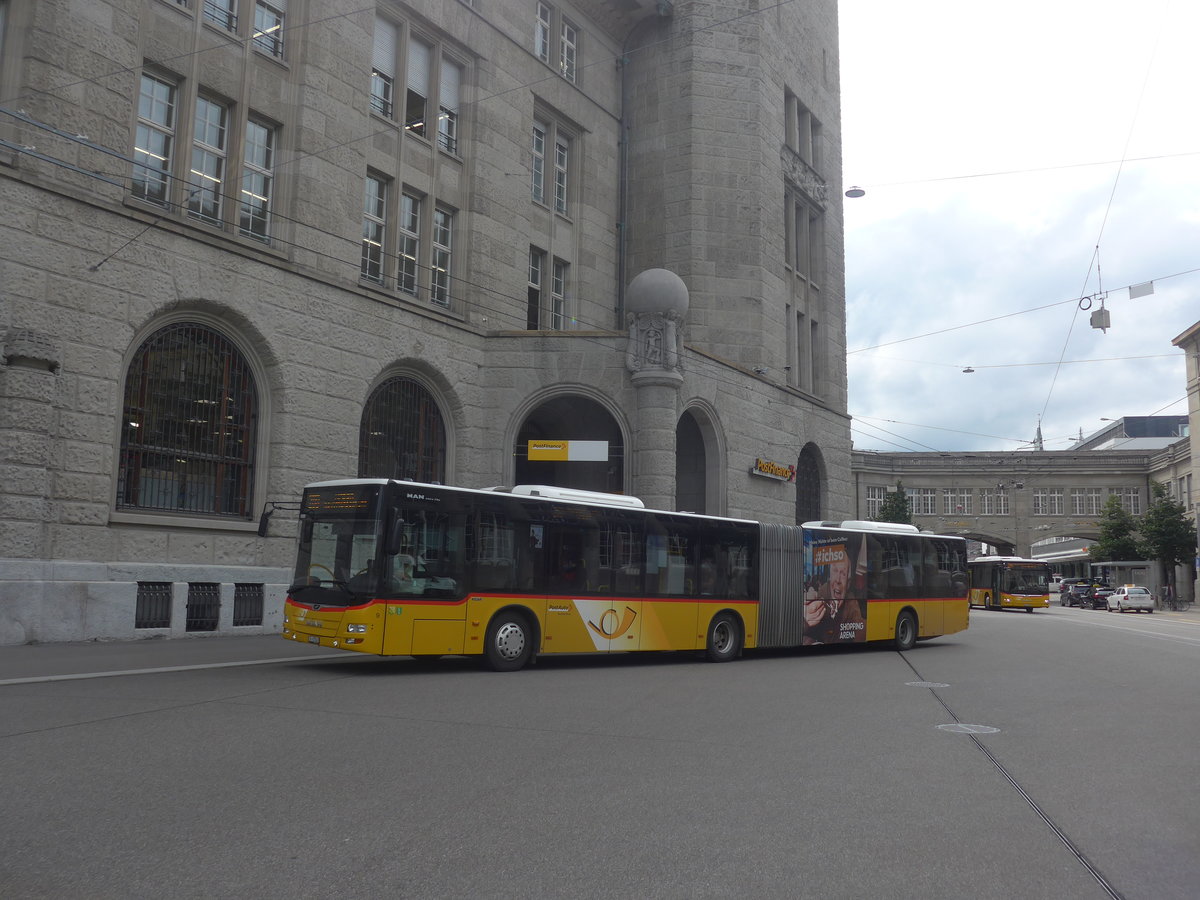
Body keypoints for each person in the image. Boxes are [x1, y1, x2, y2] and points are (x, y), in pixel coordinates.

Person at [803, 537, 867, 645]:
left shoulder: (851, 603)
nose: (837, 580)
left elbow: (861, 631)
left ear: (849, 582)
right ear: (830, 576)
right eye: (835, 571)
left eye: (843, 574)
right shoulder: (821, 594)